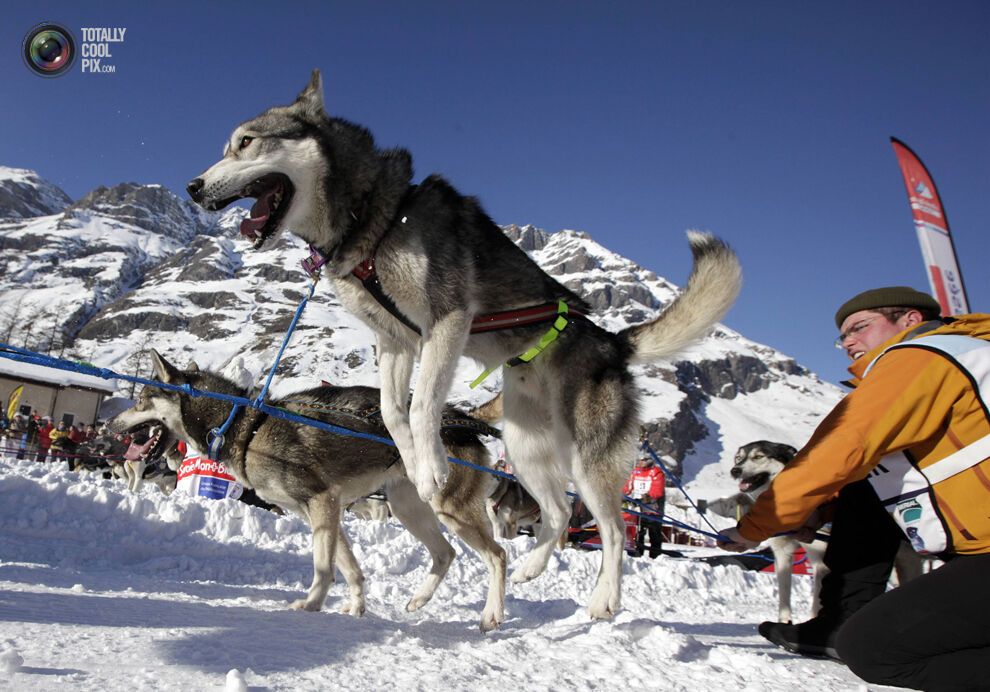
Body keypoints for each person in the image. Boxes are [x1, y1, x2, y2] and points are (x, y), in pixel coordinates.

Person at [719, 286, 990, 690]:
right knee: (861, 491)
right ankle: (839, 619)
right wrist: (819, 514)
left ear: (910, 320)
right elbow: (882, 476)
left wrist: (752, 529)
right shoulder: (959, 357)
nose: (848, 342)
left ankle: (844, 626)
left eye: (860, 328)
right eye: (842, 336)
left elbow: (835, 453)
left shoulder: (918, 359)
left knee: (873, 651)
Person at [624, 454, 666, 558]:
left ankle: (655, 556)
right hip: (638, 509)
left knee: (654, 533)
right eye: (639, 460)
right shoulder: (635, 472)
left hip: (653, 509)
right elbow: (627, 488)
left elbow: (657, 491)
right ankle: (638, 553)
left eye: (643, 460)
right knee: (638, 532)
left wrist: (644, 499)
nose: (640, 463)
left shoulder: (656, 472)